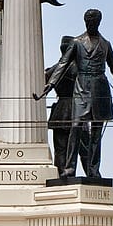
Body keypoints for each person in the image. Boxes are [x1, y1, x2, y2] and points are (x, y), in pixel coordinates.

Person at [43, 9, 113, 179]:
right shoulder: (77, 42)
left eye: (94, 22)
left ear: (98, 23)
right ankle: (70, 168)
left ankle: (94, 170)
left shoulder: (105, 44)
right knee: (76, 127)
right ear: (85, 22)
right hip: (82, 88)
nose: (91, 24)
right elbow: (63, 64)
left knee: (95, 133)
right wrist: (50, 84)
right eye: (89, 22)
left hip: (100, 89)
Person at [43, 35, 75, 176]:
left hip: (60, 110)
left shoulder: (54, 69)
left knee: (60, 148)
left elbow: (42, 80)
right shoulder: (78, 68)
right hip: (76, 109)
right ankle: (89, 174)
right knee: (79, 148)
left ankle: (61, 175)